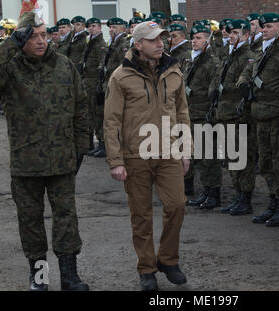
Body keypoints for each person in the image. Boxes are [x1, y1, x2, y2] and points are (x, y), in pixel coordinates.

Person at [0, 11, 90, 291]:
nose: (41, 41)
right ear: (21, 39)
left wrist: (81, 147)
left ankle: (70, 276)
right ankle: (39, 276)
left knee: (66, 219)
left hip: (63, 158)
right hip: (26, 161)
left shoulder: (64, 65)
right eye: (32, 36)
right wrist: (10, 44)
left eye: (43, 35)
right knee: (30, 221)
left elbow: (81, 107)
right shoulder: (10, 68)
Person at [104, 21, 190, 291]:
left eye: (162, 39)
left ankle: (168, 259)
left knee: (176, 205)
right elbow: (111, 121)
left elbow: (183, 114)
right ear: (138, 45)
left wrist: (186, 149)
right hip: (135, 155)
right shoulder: (120, 76)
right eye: (153, 40)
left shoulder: (174, 71)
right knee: (141, 215)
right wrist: (115, 160)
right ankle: (147, 268)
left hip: (168, 152)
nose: (160, 44)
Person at [238, 13, 279, 226]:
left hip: (277, 115)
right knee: (266, 162)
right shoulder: (260, 51)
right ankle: (273, 202)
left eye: (269, 27)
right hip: (260, 115)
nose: (263, 30)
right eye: (262, 27)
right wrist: (244, 83)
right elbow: (246, 72)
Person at [210, 19, 258, 216]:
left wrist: (222, 88)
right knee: (230, 158)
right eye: (229, 33)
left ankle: (245, 198)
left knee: (241, 158)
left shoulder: (248, 56)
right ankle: (238, 195)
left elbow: (242, 83)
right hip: (224, 113)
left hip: (238, 115)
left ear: (246, 36)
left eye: (235, 32)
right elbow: (217, 77)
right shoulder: (229, 55)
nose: (230, 35)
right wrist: (213, 89)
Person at [185, 25, 222, 210]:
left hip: (204, 114)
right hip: (192, 113)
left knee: (210, 157)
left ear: (207, 40)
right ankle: (206, 192)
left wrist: (211, 115)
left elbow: (213, 91)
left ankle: (214, 194)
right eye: (193, 37)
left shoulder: (212, 62)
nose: (194, 40)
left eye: (199, 38)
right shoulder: (193, 60)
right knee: (199, 156)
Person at [81, 18, 106, 157]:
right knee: (90, 113)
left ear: (99, 28)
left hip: (94, 82)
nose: (91, 28)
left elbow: (101, 65)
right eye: (89, 26)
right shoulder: (90, 42)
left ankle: (102, 143)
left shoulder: (100, 43)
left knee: (97, 114)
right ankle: (95, 143)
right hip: (87, 82)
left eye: (94, 26)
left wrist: (99, 84)